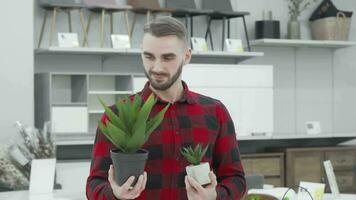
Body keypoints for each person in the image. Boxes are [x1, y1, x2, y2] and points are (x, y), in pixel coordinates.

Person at [86, 16, 246, 200]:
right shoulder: (117, 116)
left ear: (186, 56)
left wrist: (215, 196)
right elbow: (94, 184)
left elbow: (236, 179)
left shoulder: (215, 112)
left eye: (167, 57)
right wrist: (114, 194)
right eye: (149, 56)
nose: (157, 67)